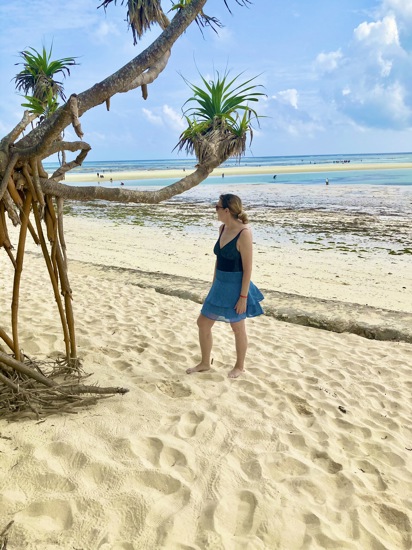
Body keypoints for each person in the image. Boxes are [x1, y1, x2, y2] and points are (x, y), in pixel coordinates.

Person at [186, 194, 264, 379]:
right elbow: (218, 259)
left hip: (236, 286)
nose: (215, 210)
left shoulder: (244, 233)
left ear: (227, 210)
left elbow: (248, 268)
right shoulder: (222, 229)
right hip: (220, 284)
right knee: (203, 323)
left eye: (217, 207)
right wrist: (214, 284)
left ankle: (239, 366)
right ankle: (205, 363)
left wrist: (243, 297)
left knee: (238, 328)